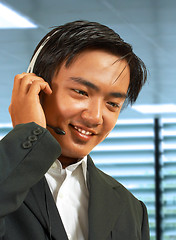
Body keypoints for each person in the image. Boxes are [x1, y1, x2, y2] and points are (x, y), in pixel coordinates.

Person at [0, 20, 150, 240]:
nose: (95, 117)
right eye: (81, 92)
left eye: (112, 104)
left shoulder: (131, 209)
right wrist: (27, 135)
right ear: (37, 87)